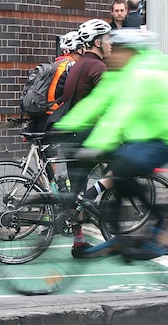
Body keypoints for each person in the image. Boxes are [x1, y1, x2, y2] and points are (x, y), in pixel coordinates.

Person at [53, 29, 168, 257]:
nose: (112, 54)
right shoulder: (121, 72)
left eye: (117, 50)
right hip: (150, 134)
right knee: (120, 171)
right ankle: (120, 239)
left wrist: (97, 144)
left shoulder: (143, 73)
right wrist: (65, 126)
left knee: (124, 165)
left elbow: (121, 113)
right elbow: (98, 101)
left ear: (130, 52)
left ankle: (163, 221)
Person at [52, 18, 111, 255]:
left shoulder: (77, 65)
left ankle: (78, 243)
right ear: (97, 42)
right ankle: (92, 194)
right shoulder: (98, 67)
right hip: (87, 134)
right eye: (108, 39)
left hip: (71, 134)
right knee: (124, 163)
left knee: (75, 189)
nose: (111, 44)